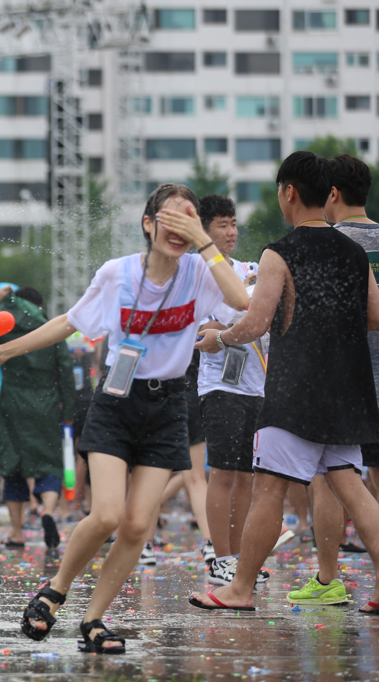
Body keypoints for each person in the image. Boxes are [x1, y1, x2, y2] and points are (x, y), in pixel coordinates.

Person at [0, 183, 248, 653]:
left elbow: (242, 302)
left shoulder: (201, 273)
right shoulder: (117, 274)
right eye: (170, 218)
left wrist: (204, 242)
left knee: (138, 525)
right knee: (107, 513)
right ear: (148, 224)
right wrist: (6, 350)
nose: (179, 227)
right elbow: (69, 322)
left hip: (168, 407)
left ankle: (94, 619)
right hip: (115, 402)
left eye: (190, 218)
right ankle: (55, 589)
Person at [189, 151, 379, 614]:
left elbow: (255, 323)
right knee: (353, 487)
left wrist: (219, 338)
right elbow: (375, 315)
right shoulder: (353, 251)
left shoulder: (281, 252)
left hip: (297, 391)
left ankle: (239, 589)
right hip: (350, 390)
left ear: (288, 192)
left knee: (270, 488)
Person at [286, 154, 379, 605]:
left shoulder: (327, 245)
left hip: (347, 383)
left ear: (333, 194)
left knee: (328, 479)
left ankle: (328, 579)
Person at [189, 195, 268, 585]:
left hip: (257, 386)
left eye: (233, 223)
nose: (231, 231)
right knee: (221, 472)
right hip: (219, 385)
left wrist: (225, 329)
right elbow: (202, 332)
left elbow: (262, 317)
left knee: (247, 476)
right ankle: (221, 557)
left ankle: (239, 557)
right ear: (203, 230)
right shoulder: (194, 274)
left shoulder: (252, 269)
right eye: (221, 224)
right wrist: (225, 329)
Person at [0, 286, 76, 550]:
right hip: (46, 404)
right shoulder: (52, 330)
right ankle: (47, 512)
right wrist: (69, 413)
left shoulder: (6, 327)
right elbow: (65, 370)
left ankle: (17, 532)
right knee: (49, 462)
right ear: (40, 305)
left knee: (13, 465)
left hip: (11, 403)